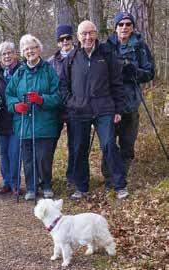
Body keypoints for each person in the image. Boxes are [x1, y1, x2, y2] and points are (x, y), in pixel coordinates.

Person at [59, 20, 129, 200]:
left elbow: (117, 84)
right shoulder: (72, 57)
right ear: (78, 37)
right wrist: (72, 102)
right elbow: (63, 86)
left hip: (104, 109)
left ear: (96, 34)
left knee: (109, 145)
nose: (88, 37)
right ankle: (81, 187)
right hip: (79, 111)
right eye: (84, 34)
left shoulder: (107, 54)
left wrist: (118, 109)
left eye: (91, 33)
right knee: (79, 148)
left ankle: (119, 185)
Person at [101, 12, 154, 188]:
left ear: (132, 27)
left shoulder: (140, 47)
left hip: (131, 101)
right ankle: (109, 178)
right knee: (108, 142)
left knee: (127, 141)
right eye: (121, 24)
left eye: (128, 24)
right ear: (115, 27)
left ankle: (122, 177)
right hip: (109, 101)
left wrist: (134, 71)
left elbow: (150, 73)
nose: (124, 27)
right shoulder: (106, 47)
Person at [6, 34, 61, 201]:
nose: (30, 51)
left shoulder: (48, 70)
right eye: (26, 49)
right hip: (24, 123)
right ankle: (31, 187)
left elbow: (58, 96)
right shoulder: (19, 73)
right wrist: (15, 105)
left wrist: (42, 99)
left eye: (33, 48)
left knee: (44, 157)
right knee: (28, 158)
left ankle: (46, 185)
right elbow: (9, 94)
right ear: (23, 53)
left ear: (39, 49)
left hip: (45, 123)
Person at [0, 41, 21, 195]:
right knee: (3, 153)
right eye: (4, 54)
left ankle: (15, 183)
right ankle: (6, 181)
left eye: (9, 52)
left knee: (14, 153)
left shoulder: (22, 70)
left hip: (17, 118)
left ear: (15, 54)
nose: (7, 56)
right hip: (0, 120)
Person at [48, 24, 75, 187]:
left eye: (67, 38)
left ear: (72, 38)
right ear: (58, 42)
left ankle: (72, 178)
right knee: (50, 145)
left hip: (75, 108)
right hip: (56, 109)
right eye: (61, 39)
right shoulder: (50, 62)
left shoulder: (80, 56)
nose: (65, 41)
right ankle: (46, 179)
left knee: (75, 146)